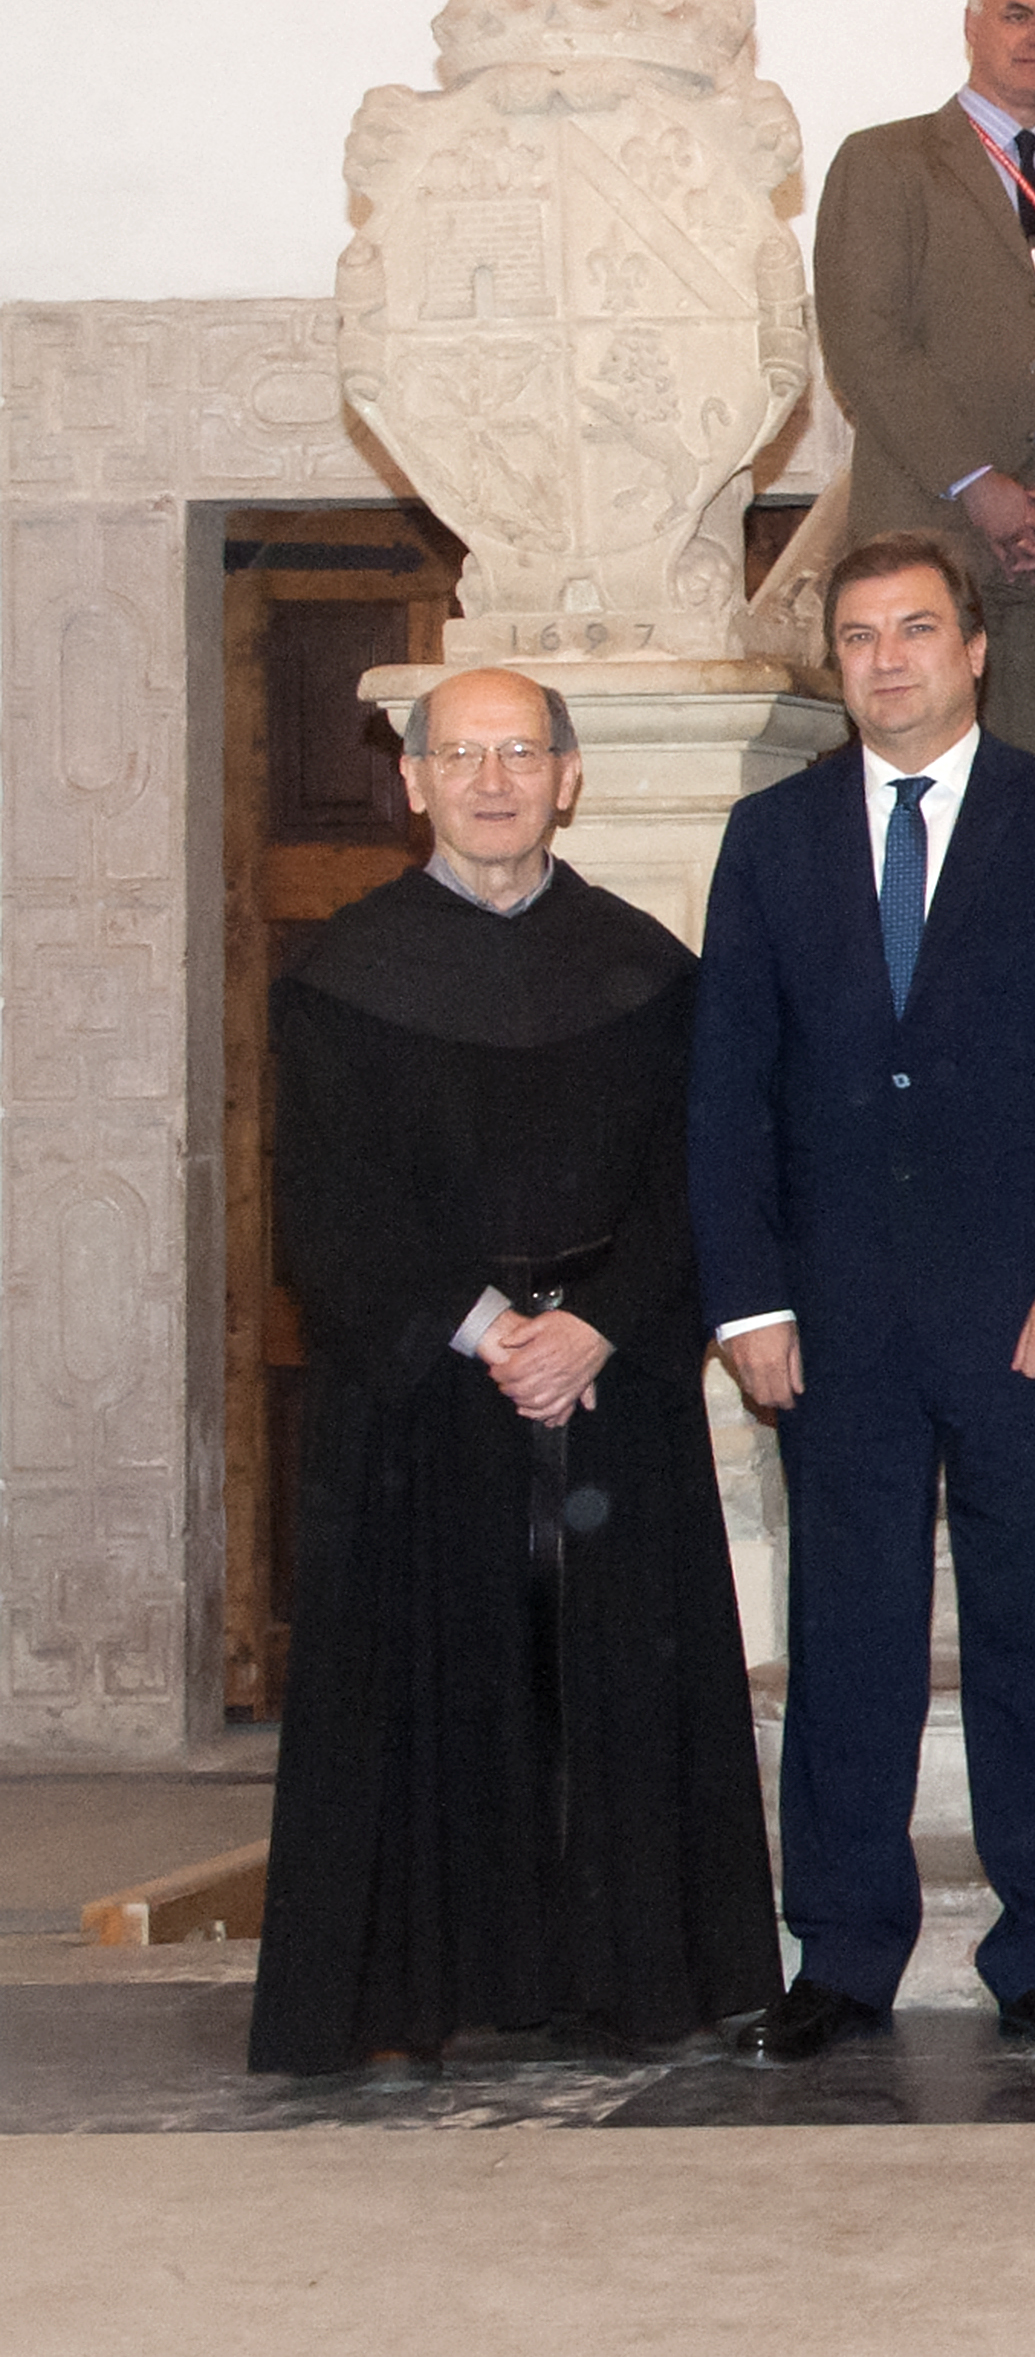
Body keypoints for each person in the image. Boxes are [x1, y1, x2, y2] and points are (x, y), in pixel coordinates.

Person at [250, 669, 778, 2079]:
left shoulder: (650, 970)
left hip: (610, 1379)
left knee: (619, 1682)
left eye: (521, 751)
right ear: (411, 779)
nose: (493, 778)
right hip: (428, 1391)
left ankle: (634, 1973)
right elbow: (326, 1204)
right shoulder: (338, 975)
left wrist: (598, 1320)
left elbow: (698, 1177)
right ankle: (417, 1985)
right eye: (460, 753)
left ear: (569, 774)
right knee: (427, 1687)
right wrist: (487, 1327)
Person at [691, 535, 1035, 2065]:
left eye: (914, 630)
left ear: (974, 647)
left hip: (1025, 1308)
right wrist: (748, 1297)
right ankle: (840, 1948)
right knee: (848, 1636)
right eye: (856, 636)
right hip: (829, 1321)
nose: (885, 658)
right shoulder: (769, 837)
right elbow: (726, 1091)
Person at [813, 0, 1035, 762]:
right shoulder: (887, 161)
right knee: (918, 778)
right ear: (971, 27)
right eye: (1017, 14)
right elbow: (865, 339)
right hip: (929, 525)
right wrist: (977, 481)